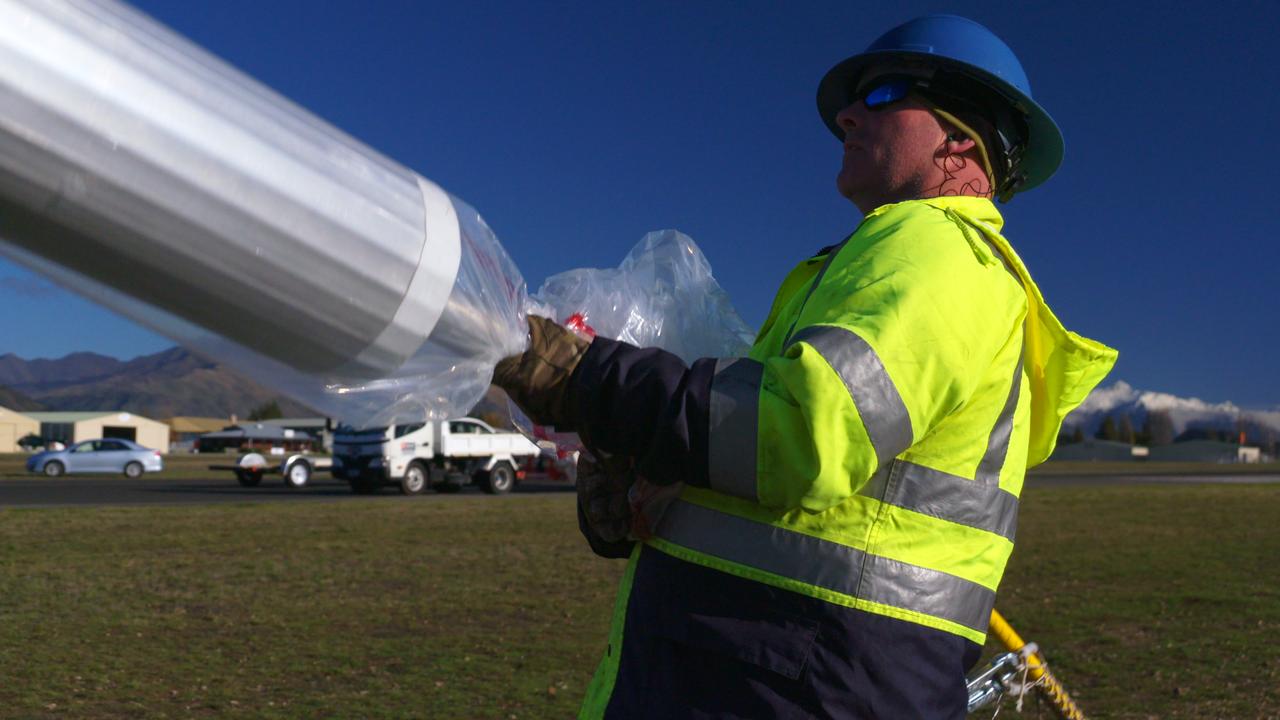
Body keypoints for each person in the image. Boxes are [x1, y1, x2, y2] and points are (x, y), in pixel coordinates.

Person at [494, 14, 1116, 719]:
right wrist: (646, 472)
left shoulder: (941, 254)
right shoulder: (869, 263)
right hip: (769, 674)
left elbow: (802, 435)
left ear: (962, 138)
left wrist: (586, 379)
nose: (847, 115)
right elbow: (775, 468)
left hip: (801, 682)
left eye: (880, 95)